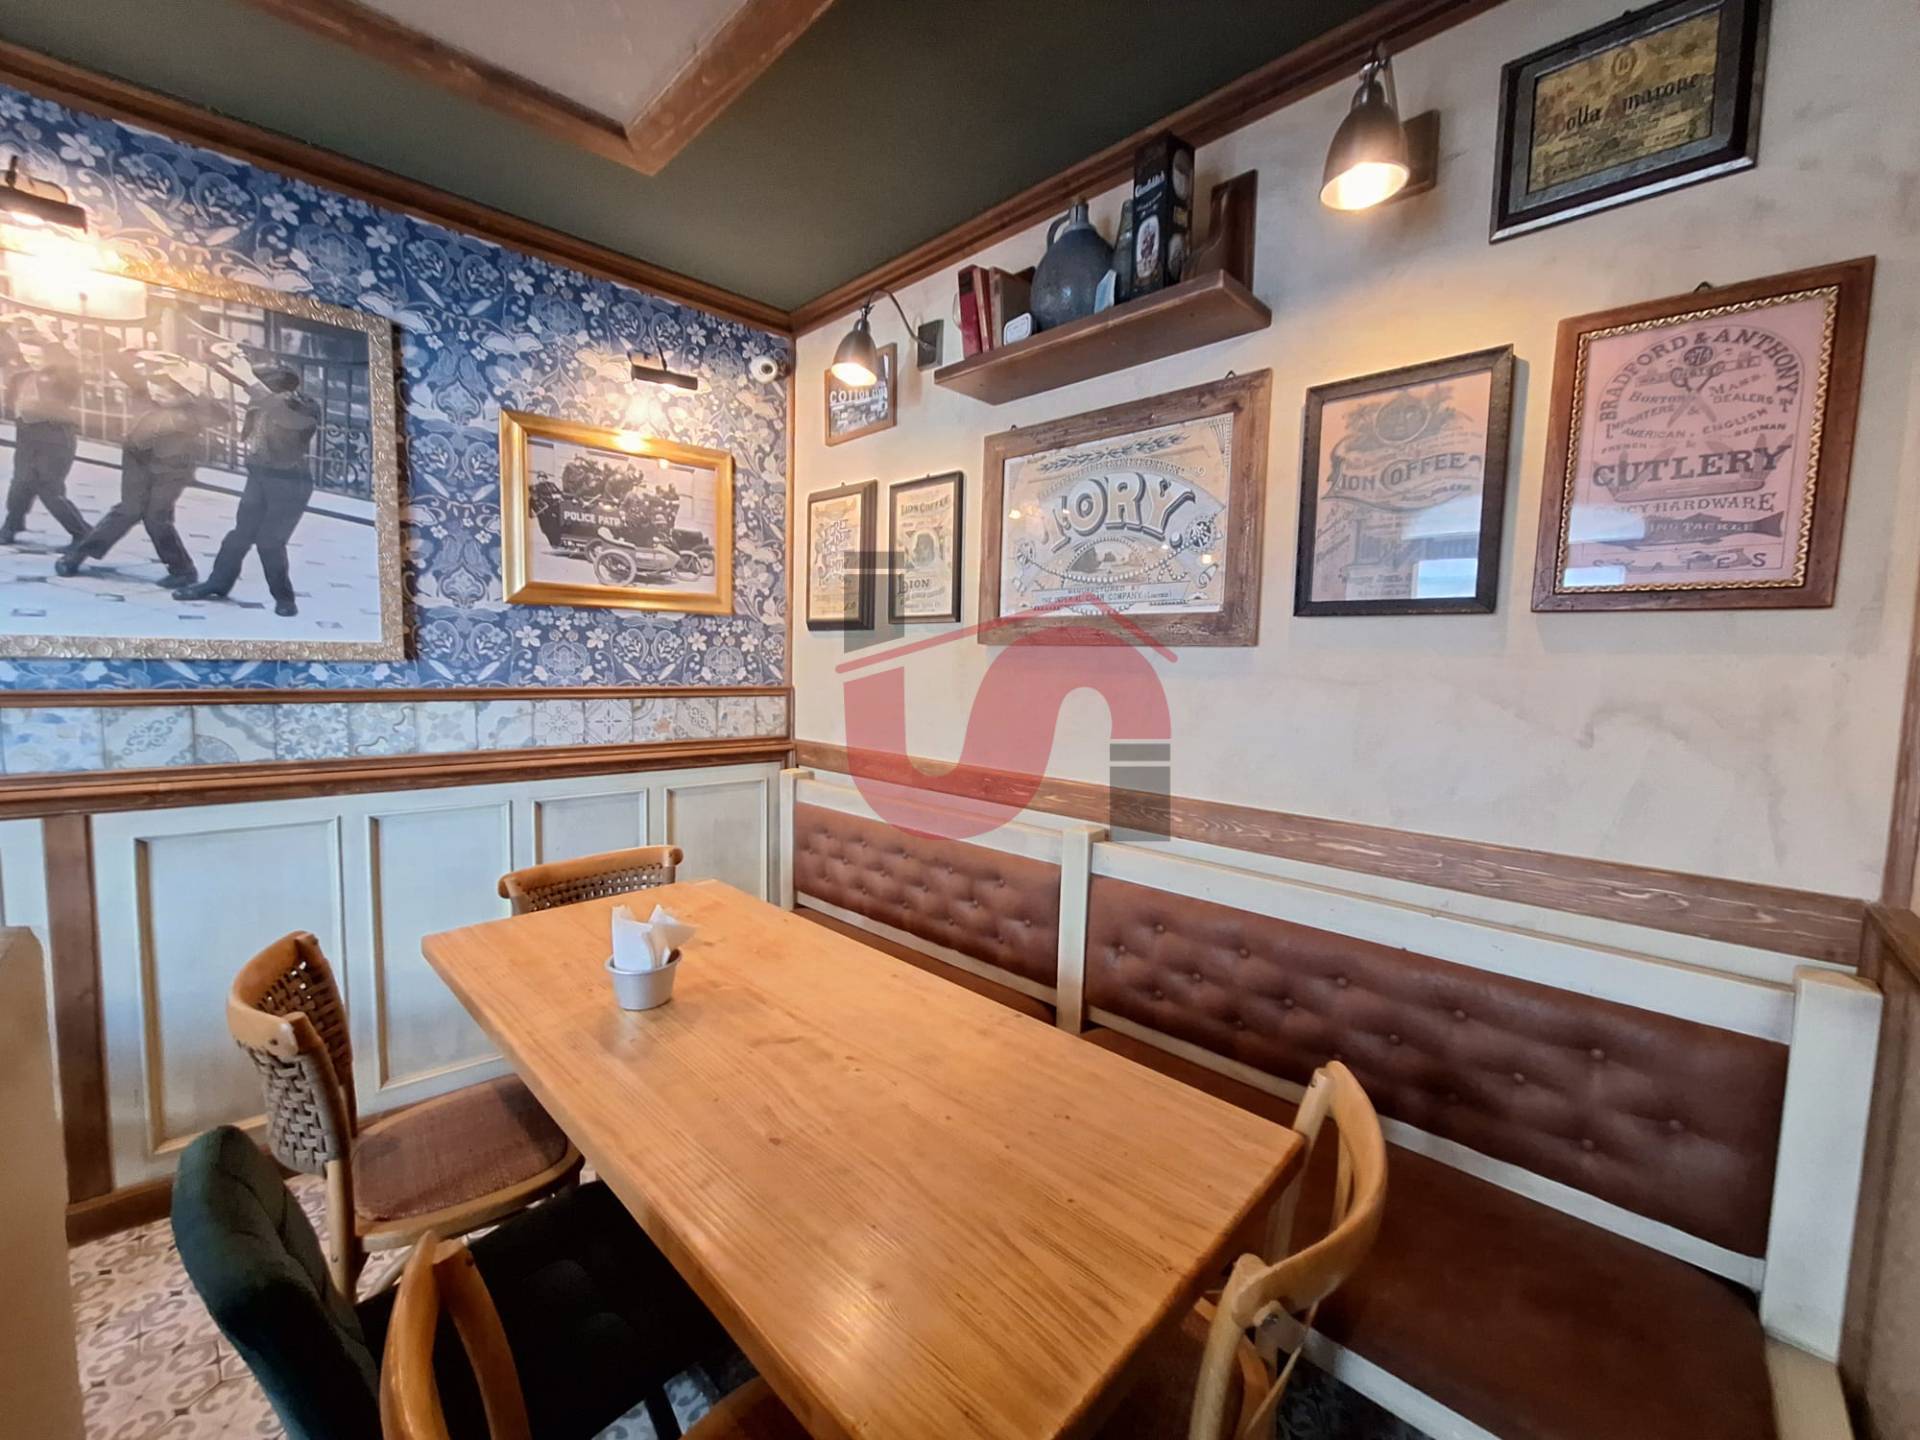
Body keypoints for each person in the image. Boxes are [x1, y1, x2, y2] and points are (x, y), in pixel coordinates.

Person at [56, 350, 226, 588]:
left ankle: (183, 570)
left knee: (156, 518)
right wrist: (117, 349)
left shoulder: (194, 408)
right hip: (137, 461)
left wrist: (196, 388)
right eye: (154, 388)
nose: (156, 394)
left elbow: (222, 416)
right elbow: (124, 370)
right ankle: (77, 556)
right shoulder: (145, 393)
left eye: (164, 393)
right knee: (127, 510)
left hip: (171, 470)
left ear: (181, 392)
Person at [174, 354, 320, 618]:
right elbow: (240, 393)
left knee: (270, 542)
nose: (252, 390)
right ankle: (217, 583)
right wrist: (218, 365)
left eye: (259, 384)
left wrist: (250, 382)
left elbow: (282, 413)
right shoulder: (263, 403)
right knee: (238, 536)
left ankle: (284, 599)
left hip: (289, 483)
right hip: (259, 476)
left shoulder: (303, 408)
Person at [0, 317, 89, 546]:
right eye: (27, 355)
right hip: (27, 437)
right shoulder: (19, 377)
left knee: (49, 488)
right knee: (20, 483)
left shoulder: (64, 378)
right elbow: (10, 405)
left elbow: (66, 361)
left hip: (55, 438)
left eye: (38, 356)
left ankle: (82, 533)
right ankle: (12, 525)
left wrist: (48, 336)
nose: (33, 360)